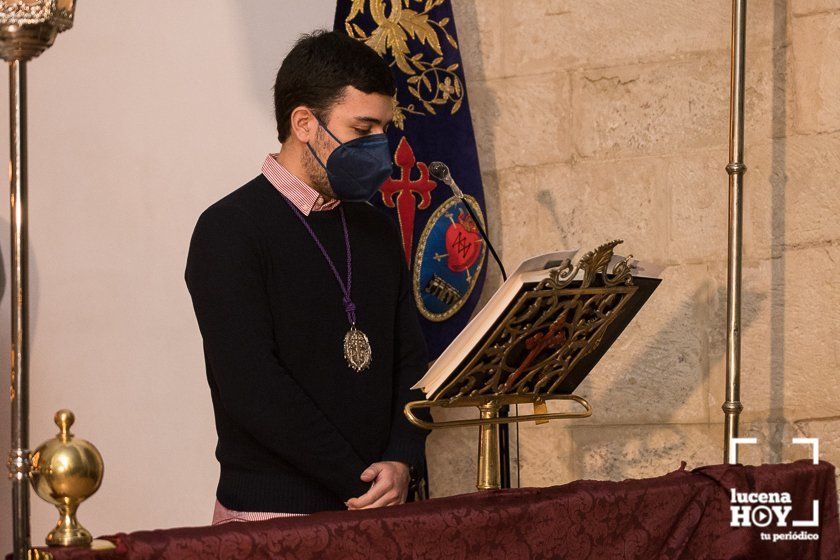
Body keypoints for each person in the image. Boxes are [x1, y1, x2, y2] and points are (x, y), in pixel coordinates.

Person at [184, 30, 430, 522]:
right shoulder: (229, 228)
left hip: (379, 504)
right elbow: (251, 386)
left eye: (385, 130)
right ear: (304, 123)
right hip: (275, 512)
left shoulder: (377, 229)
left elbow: (411, 360)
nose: (381, 148)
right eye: (363, 131)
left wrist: (403, 460)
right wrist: (360, 479)